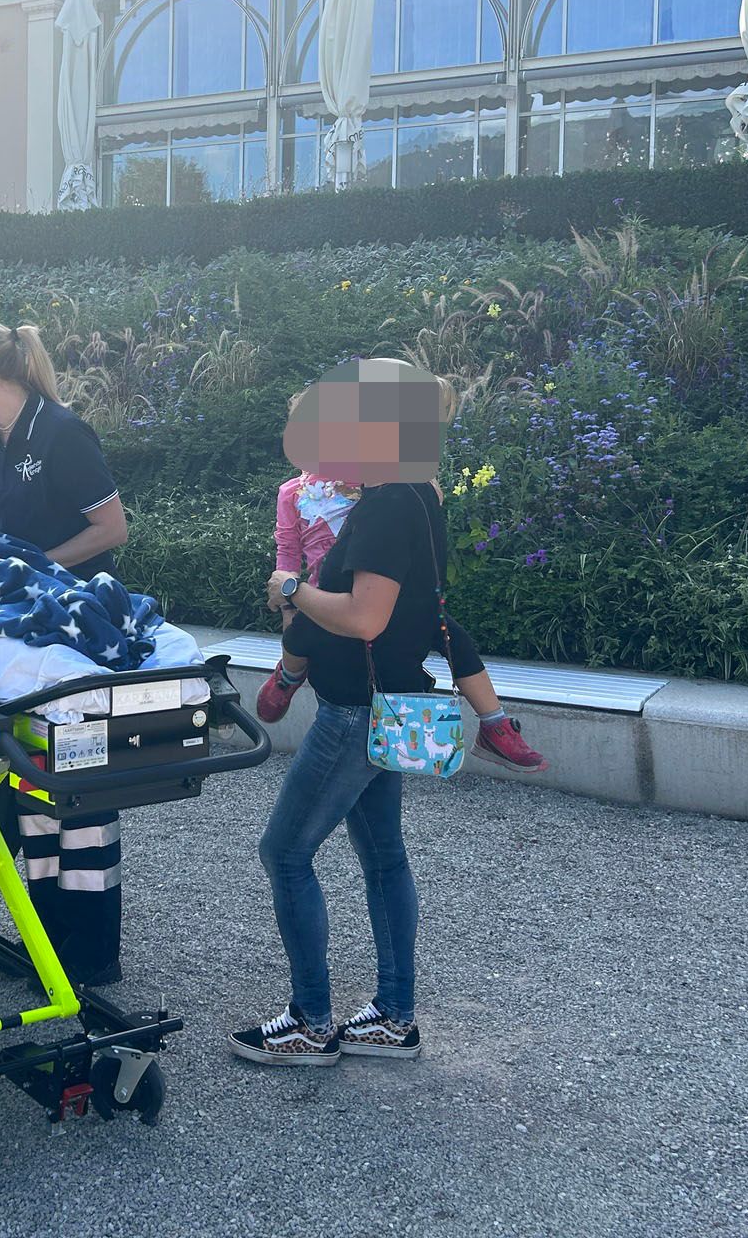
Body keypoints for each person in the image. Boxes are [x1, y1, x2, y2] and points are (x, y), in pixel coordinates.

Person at [233, 361, 500, 1068]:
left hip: (355, 707)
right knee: (383, 858)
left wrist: (290, 586)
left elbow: (364, 616)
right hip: (391, 700)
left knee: (285, 853)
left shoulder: (384, 505)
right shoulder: (416, 492)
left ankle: (312, 1023)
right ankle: (391, 1015)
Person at [0, 316, 130, 986]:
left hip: (76, 632)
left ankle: (95, 951)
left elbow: (113, 529)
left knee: (79, 790)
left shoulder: (63, 433)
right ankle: (47, 936)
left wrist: (38, 568)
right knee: (29, 787)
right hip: (29, 632)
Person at [256, 401, 546, 774]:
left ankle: (495, 722)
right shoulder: (294, 492)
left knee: (453, 636)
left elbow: (407, 491)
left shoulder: (372, 486)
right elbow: (287, 546)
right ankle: (288, 677)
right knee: (298, 636)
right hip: (322, 590)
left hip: (380, 591)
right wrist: (286, 599)